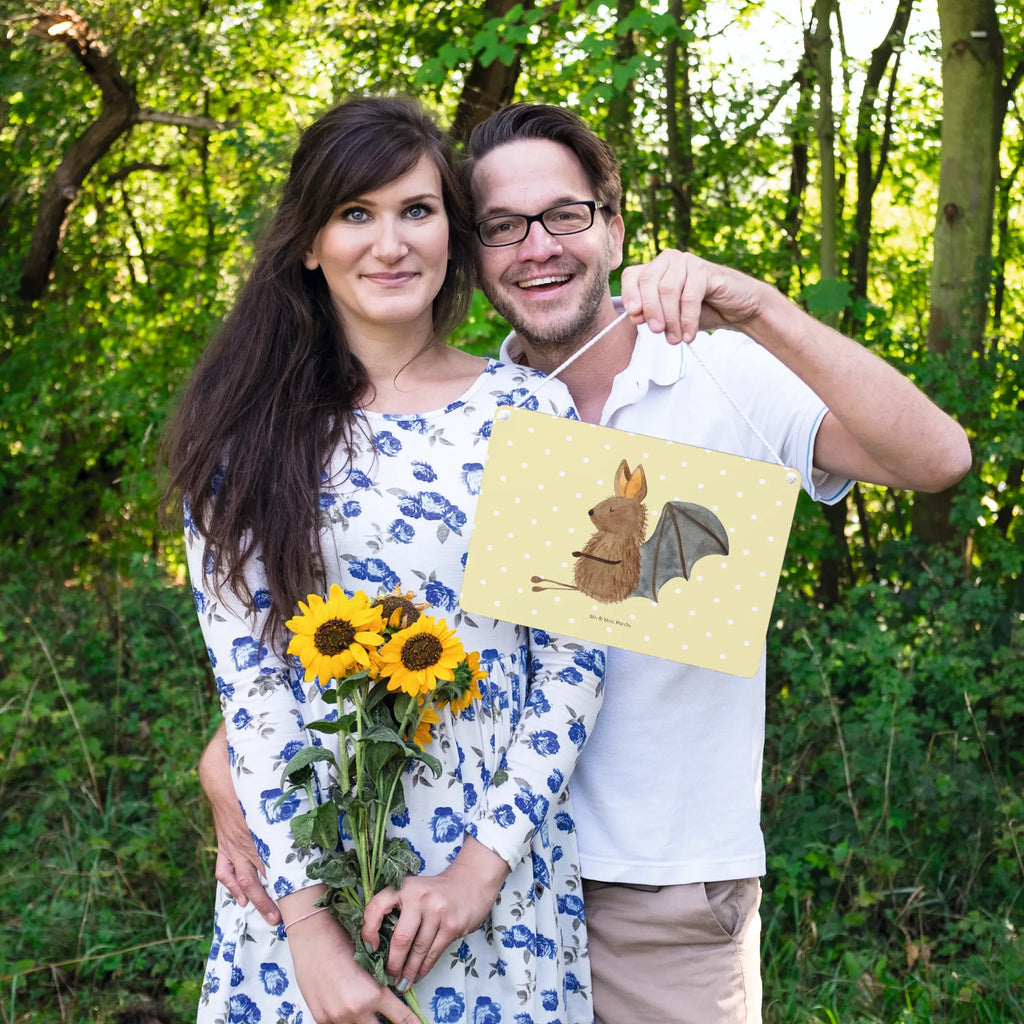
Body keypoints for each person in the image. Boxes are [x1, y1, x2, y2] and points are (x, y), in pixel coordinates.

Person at [201, 102, 972, 1024]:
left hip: (651, 886)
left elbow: (937, 461)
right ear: (474, 249)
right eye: (502, 227)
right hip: (428, 874)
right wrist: (234, 768)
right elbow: (338, 631)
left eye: (564, 215)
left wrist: (759, 307)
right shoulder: (461, 413)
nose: (537, 247)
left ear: (612, 225)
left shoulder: (708, 372)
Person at [162, 96, 609, 1024]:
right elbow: (253, 692)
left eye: (417, 210)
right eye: (355, 214)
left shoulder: (533, 414)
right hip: (302, 885)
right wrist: (310, 936)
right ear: (309, 243)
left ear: (452, 230)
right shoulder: (244, 438)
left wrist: (478, 874)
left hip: (493, 886)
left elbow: (573, 664)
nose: (390, 243)